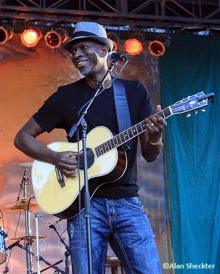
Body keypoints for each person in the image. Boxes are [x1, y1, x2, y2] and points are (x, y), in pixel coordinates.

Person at [14, 21, 166, 274]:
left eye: (83, 47)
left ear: (105, 49)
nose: (76, 55)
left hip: (127, 202)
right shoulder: (66, 97)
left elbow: (150, 155)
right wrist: (55, 158)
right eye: (73, 51)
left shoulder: (133, 92)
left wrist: (155, 138)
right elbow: (23, 137)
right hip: (85, 204)